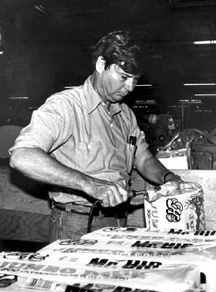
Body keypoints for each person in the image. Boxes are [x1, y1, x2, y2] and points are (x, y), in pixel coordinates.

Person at [9, 30, 198, 242]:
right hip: (76, 223)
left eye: (135, 80)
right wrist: (90, 184)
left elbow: (143, 158)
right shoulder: (65, 106)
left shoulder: (126, 115)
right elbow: (21, 156)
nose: (130, 88)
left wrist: (168, 178)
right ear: (101, 65)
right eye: (124, 77)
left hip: (119, 222)